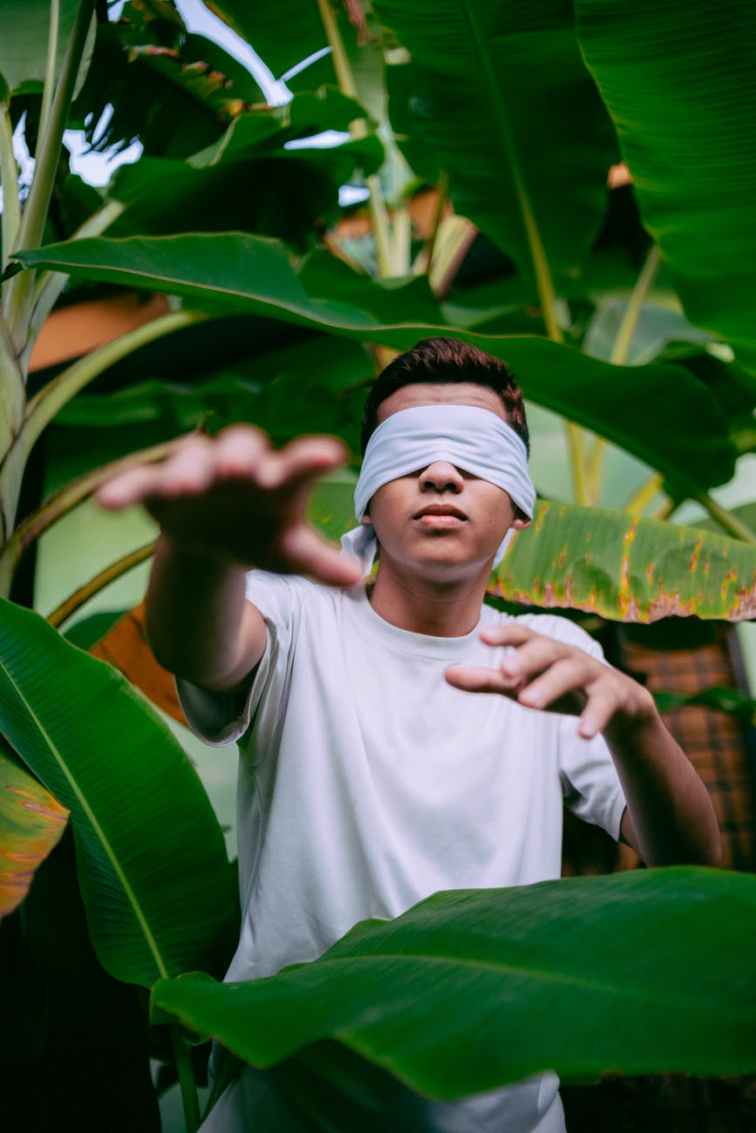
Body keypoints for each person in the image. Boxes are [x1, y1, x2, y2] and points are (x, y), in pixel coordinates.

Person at [96, 337, 721, 1133]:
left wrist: (636, 723)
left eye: (475, 452)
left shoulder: (557, 660)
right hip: (288, 1110)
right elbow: (197, 646)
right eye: (409, 451)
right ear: (364, 495)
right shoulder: (296, 614)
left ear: (521, 505)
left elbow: (693, 863)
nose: (441, 473)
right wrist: (199, 544)